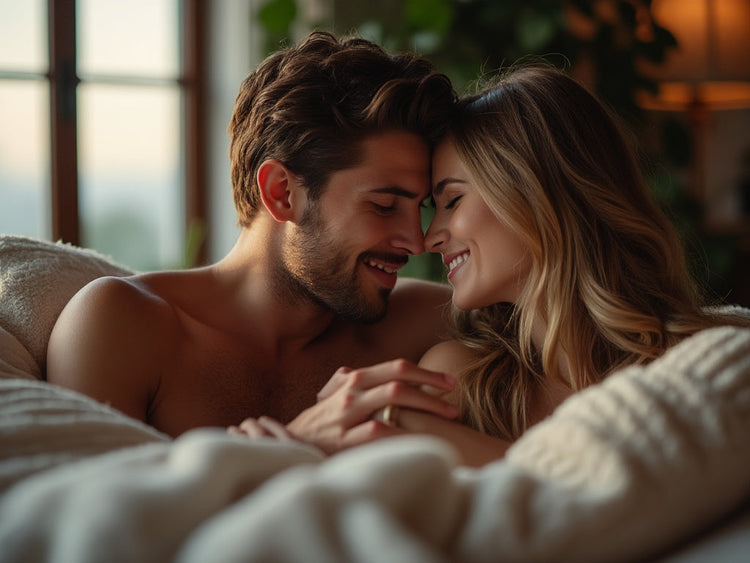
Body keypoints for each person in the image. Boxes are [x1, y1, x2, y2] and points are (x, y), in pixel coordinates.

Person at [46, 31, 461, 443]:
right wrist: (294, 447)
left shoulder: (425, 323)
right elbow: (92, 504)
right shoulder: (122, 326)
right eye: (385, 205)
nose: (417, 240)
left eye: (421, 208)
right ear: (281, 192)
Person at [345, 63, 750, 466]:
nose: (429, 238)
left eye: (452, 201)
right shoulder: (463, 381)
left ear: (536, 195)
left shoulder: (711, 358)